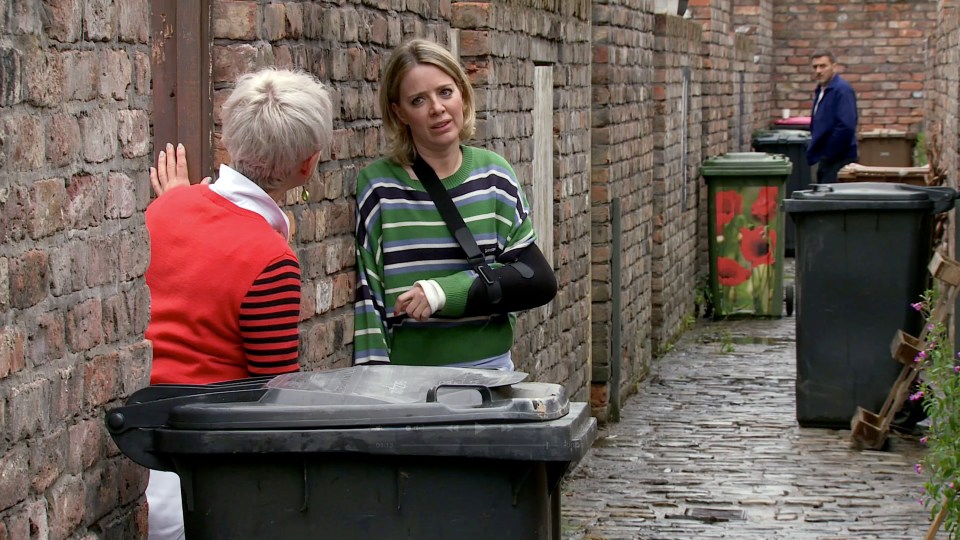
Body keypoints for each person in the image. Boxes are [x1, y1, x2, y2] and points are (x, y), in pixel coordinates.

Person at [143, 67, 333, 540]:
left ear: (230, 139)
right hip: (210, 476)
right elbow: (272, 395)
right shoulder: (270, 259)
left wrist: (176, 202)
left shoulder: (167, 207)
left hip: (147, 452)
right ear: (307, 165)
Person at [353, 39, 557, 369]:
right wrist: (373, 391)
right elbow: (369, 300)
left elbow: (535, 280)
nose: (437, 108)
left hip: (491, 373)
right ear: (399, 112)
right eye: (419, 100)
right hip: (409, 381)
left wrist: (442, 292)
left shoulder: (495, 176)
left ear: (462, 93)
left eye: (445, 92)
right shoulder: (379, 187)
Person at [806, 50, 858, 183]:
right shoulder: (821, 90)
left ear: (834, 67)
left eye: (823, 66)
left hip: (839, 160)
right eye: (815, 67)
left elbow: (846, 126)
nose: (818, 71)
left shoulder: (842, 90)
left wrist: (828, 154)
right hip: (825, 159)